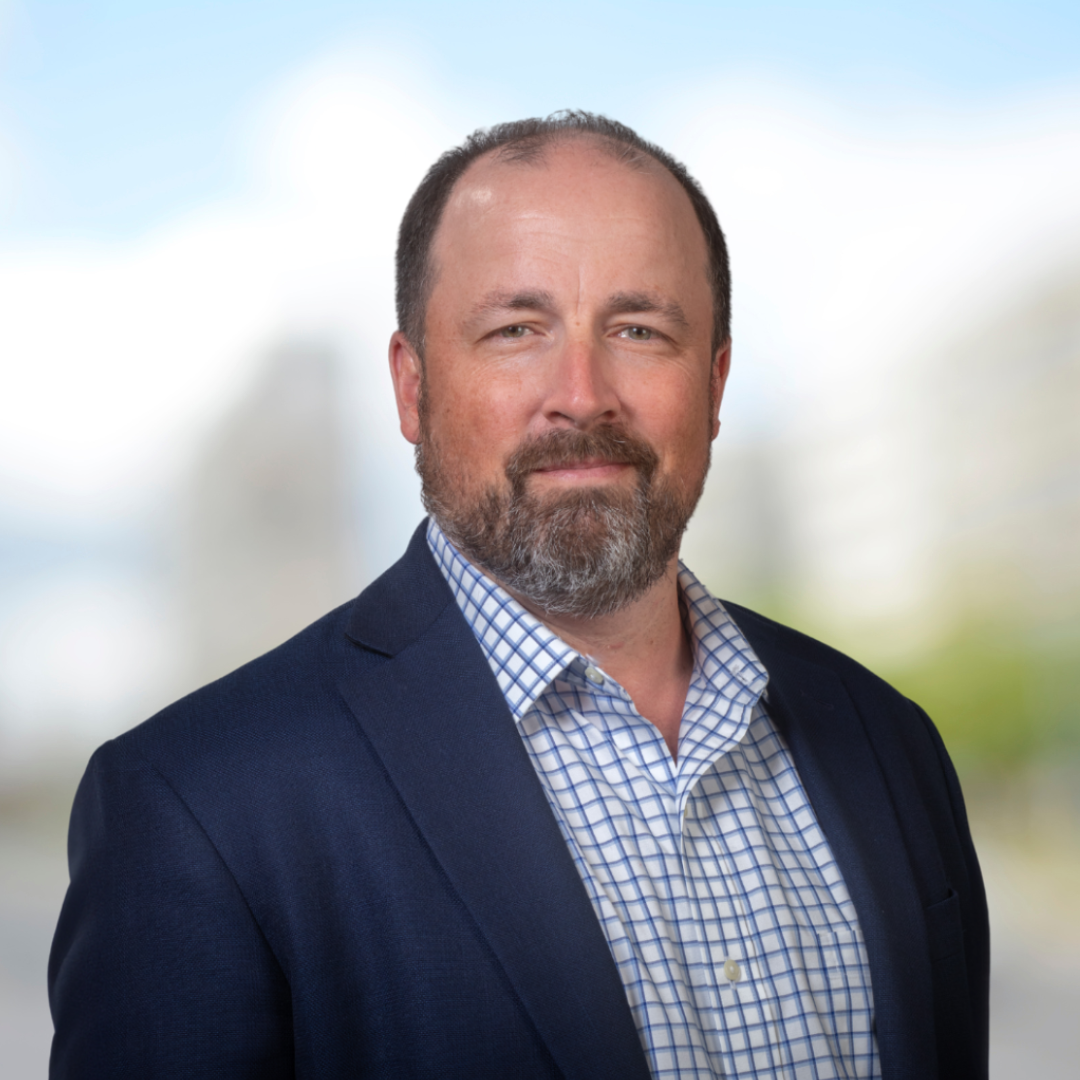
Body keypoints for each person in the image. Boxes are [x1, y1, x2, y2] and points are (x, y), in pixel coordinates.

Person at [48, 112, 988, 1079]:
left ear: (714, 383)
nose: (581, 394)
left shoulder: (891, 744)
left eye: (638, 329)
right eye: (514, 330)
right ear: (412, 389)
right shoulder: (196, 808)